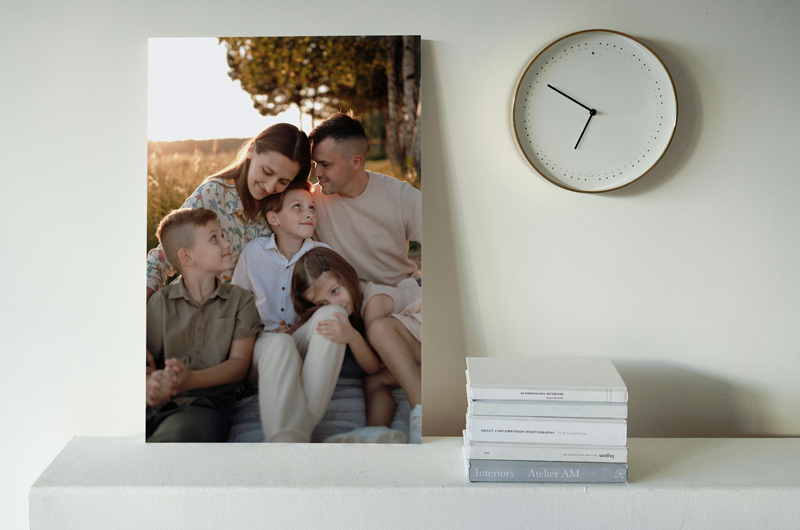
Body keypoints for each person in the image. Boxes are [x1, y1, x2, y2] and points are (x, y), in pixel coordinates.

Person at [231, 182, 346, 443]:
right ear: (274, 219)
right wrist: (264, 333)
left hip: (303, 342)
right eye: (297, 207)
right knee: (279, 342)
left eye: (311, 208)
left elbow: (336, 300)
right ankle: (294, 437)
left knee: (333, 316)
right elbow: (236, 306)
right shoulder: (254, 252)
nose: (308, 214)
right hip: (262, 348)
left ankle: (291, 438)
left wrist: (300, 325)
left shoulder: (323, 254)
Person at [146, 123, 311, 302]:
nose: (270, 187)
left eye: (283, 181)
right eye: (267, 171)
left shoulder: (284, 207)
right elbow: (164, 256)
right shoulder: (213, 194)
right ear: (252, 150)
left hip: (249, 315)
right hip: (194, 309)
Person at [146, 208, 263, 442]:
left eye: (223, 235)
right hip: (153, 404)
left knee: (176, 437)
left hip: (205, 409)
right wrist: (151, 382)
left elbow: (238, 365)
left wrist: (189, 381)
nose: (227, 244)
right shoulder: (160, 302)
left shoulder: (241, 301)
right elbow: (145, 359)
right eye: (214, 238)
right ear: (187, 257)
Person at [292, 248, 422, 444]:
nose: (335, 304)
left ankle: (421, 411)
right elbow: (374, 371)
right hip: (418, 364)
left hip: (430, 345)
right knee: (373, 381)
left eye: (335, 291)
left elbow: (373, 364)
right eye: (323, 303)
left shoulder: (375, 301)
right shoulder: (350, 304)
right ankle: (375, 430)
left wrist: (353, 338)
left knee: (379, 329)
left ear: (347, 275)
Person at [309, 113, 421, 287]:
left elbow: (446, 238)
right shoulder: (310, 202)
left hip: (403, 291)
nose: (316, 173)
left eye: (325, 165)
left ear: (356, 163)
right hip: (348, 297)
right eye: (315, 164)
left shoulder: (400, 195)